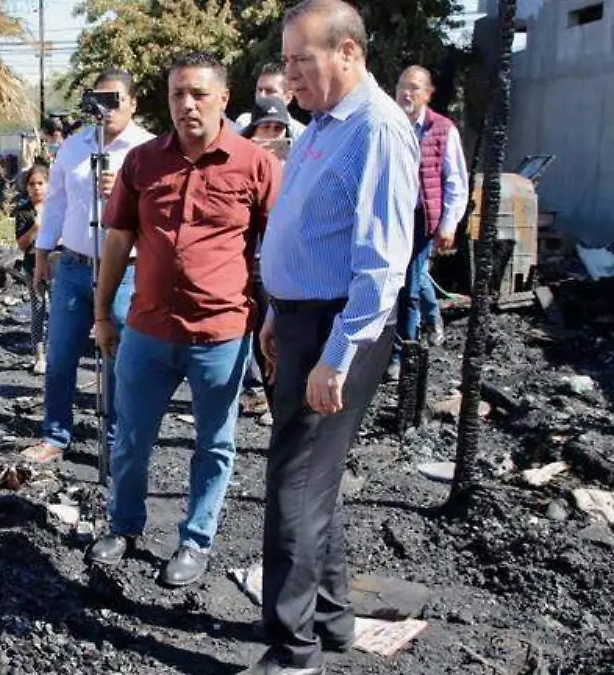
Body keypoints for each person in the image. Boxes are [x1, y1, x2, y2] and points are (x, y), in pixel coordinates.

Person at [244, 2, 419, 674]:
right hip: (299, 317)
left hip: (338, 325)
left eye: (300, 59)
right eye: (285, 61)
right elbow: (302, 229)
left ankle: (292, 650)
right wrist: (274, 311)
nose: (288, 76)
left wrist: (335, 355)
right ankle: (334, 617)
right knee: (314, 480)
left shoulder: (377, 129)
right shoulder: (322, 124)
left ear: (347, 52)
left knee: (292, 483)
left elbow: (382, 265)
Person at [87, 52, 280, 587]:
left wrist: (276, 319)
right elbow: (120, 240)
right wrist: (103, 313)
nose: (187, 105)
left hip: (221, 332)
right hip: (147, 329)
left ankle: (195, 541)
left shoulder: (255, 164)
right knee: (129, 437)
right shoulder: (143, 162)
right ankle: (123, 526)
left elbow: (278, 246)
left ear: (224, 97)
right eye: (177, 94)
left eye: (198, 94)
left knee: (214, 445)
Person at [21, 70, 155, 464]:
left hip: (127, 268)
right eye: (99, 99)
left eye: (114, 99)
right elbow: (57, 202)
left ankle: (115, 441)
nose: (106, 108)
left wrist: (127, 195)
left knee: (119, 358)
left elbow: (164, 211)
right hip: (75, 266)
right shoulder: (75, 147)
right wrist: (44, 254)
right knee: (60, 355)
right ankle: (55, 435)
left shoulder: (148, 149)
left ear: (132, 103)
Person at [387, 64, 469, 379]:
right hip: (392, 216)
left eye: (414, 87)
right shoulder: (387, 125)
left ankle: (400, 354)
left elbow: (455, 182)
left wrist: (448, 224)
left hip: (421, 220)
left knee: (408, 285)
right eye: (402, 86)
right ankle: (431, 318)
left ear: (428, 94)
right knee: (405, 278)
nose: (406, 93)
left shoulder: (443, 129)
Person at [239, 94, 296, 416]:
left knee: (275, 345)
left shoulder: (298, 163)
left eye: (278, 129)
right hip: (244, 262)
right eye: (265, 128)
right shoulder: (240, 163)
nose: (272, 136)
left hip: (280, 267)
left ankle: (280, 410)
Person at [13, 163, 51, 374]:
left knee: (58, 311)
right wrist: (35, 228)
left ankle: (55, 352)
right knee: (37, 308)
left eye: (40, 183)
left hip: (56, 265)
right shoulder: (23, 211)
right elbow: (21, 244)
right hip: (32, 264)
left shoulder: (56, 207)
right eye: (32, 184)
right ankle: (39, 355)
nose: (36, 188)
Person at [235, 63, 307, 139]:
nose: (262, 95)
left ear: (288, 97)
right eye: (259, 90)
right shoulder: (243, 122)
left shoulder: (302, 135)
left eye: (270, 91)